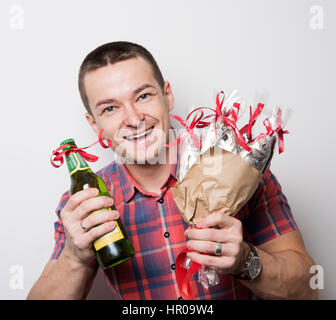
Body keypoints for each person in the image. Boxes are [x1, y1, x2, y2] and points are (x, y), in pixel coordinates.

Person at [27, 41, 317, 300]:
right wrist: (75, 257)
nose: (134, 118)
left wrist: (245, 261)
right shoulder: (86, 204)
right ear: (95, 125)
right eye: (110, 109)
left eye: (143, 96)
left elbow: (308, 289)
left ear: (168, 96)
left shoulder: (239, 170)